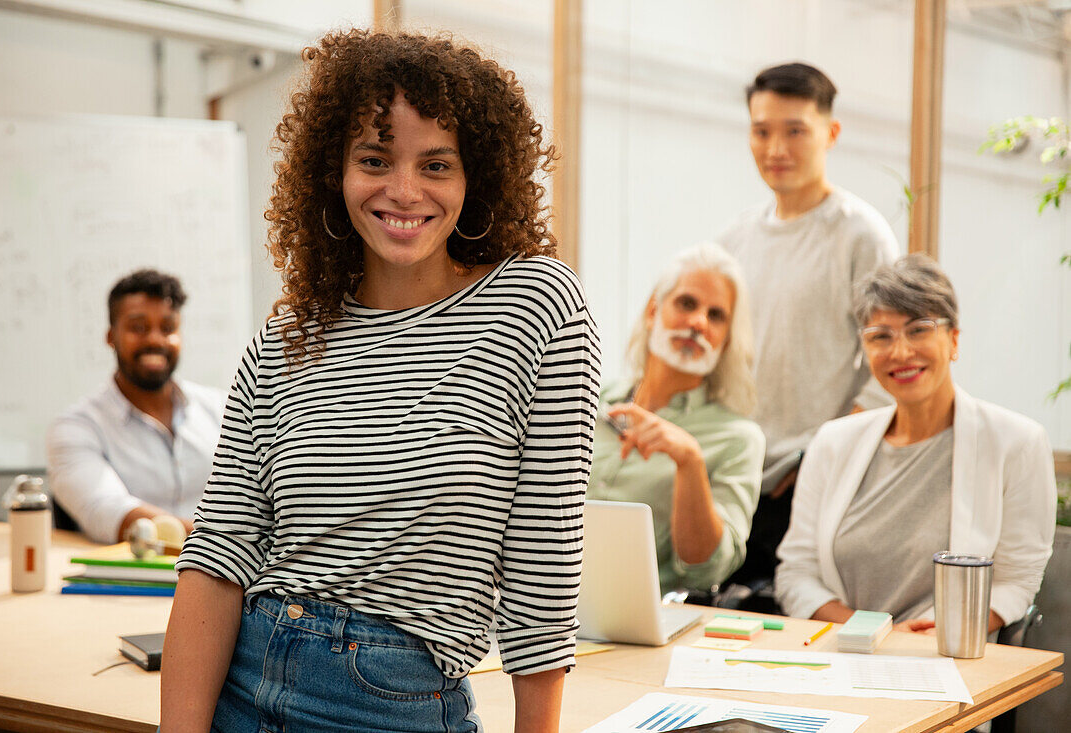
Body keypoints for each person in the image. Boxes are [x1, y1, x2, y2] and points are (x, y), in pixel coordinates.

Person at [161, 30, 600, 733]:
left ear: (474, 176)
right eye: (374, 159)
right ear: (332, 173)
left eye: (436, 163)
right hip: (242, 684)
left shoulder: (535, 307)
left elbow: (542, 567)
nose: (403, 191)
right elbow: (217, 559)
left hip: (391, 701)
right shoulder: (284, 342)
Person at [775, 255, 1055, 632]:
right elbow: (797, 572)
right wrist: (870, 631)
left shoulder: (1017, 443)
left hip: (951, 657)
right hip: (842, 651)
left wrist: (929, 635)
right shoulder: (832, 442)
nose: (901, 352)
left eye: (919, 330)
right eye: (881, 336)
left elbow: (1015, 582)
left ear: (954, 340)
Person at [717, 62, 900, 586]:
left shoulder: (861, 234)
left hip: (814, 479)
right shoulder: (734, 240)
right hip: (735, 475)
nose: (777, 148)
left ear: (830, 133)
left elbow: (888, 363)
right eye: (762, 131)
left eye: (795, 130)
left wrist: (823, 452)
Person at [588, 244, 765, 596]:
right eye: (687, 304)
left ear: (726, 340)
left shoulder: (738, 438)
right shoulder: (587, 398)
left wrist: (690, 461)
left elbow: (707, 571)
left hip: (644, 620)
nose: (699, 322)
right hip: (534, 606)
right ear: (653, 311)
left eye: (716, 316)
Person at [45, 269, 225, 544]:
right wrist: (223, 543)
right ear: (110, 336)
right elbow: (107, 510)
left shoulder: (223, 409)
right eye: (138, 328)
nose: (155, 340)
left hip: (231, 578)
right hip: (133, 581)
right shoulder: (76, 428)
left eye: (168, 328)